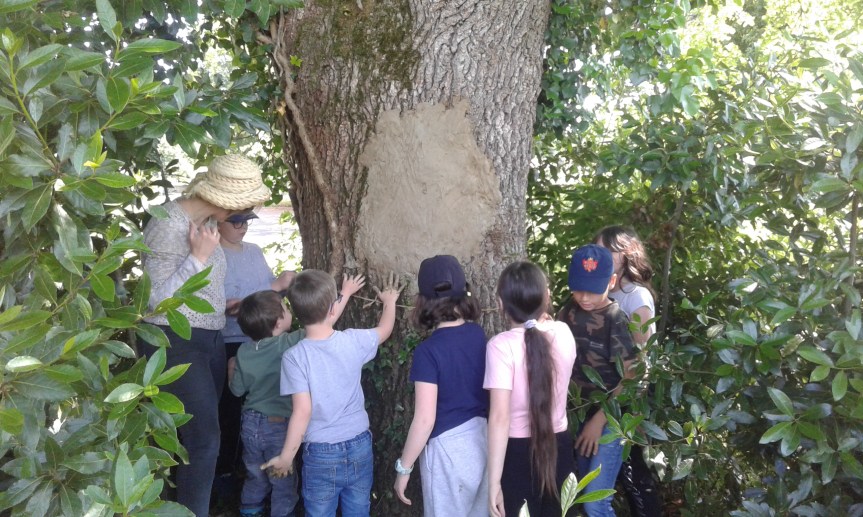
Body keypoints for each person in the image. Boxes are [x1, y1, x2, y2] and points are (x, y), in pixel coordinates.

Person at [140, 154, 271, 517]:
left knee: (196, 438)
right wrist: (197, 257)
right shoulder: (168, 223)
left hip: (210, 339)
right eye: (246, 209)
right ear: (229, 201)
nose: (247, 215)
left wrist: (221, 305)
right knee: (204, 442)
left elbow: (200, 288)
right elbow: (153, 301)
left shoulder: (209, 221)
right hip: (174, 341)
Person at [261, 270, 402, 517]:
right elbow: (384, 329)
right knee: (358, 510)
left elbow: (302, 412)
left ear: (294, 310)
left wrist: (286, 457)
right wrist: (389, 302)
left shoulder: (294, 358)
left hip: (321, 453)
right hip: (359, 444)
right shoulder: (353, 341)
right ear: (331, 308)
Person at [229, 275, 364, 517]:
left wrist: (232, 368)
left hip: (250, 425)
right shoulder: (291, 343)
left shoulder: (243, 351)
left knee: (255, 476)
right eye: (285, 307)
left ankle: (249, 512)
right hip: (278, 426)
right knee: (282, 481)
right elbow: (326, 320)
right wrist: (345, 293)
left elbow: (237, 390)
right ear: (279, 322)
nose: (289, 310)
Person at [393, 255, 489, 517]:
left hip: (448, 450)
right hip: (483, 439)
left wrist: (404, 468)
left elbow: (424, 420)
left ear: (422, 301)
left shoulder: (428, 351)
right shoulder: (478, 334)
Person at [485, 261, 577, 517]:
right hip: (560, 446)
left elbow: (500, 418)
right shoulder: (564, 333)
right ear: (546, 297)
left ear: (501, 304)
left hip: (516, 455)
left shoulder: (500, 346)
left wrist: (493, 483)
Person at [215, 210, 296, 493]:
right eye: (235, 221)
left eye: (247, 221)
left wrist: (280, 289)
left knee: (272, 398)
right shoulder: (212, 254)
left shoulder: (255, 251)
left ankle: (258, 466)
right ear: (216, 220)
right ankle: (227, 472)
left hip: (265, 339)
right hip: (231, 340)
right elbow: (211, 300)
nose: (243, 227)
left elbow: (267, 302)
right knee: (230, 409)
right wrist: (273, 287)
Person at [557, 244, 638, 517]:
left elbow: (631, 376)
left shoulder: (616, 319)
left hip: (610, 420)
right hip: (577, 414)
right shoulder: (568, 311)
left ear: (612, 281)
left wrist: (598, 421)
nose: (584, 297)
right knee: (579, 495)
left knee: (595, 501)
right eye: (578, 288)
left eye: (592, 290)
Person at [595, 226, 662, 517]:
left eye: (608, 250)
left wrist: (620, 403)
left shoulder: (635, 297)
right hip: (607, 397)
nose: (601, 255)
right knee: (622, 474)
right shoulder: (606, 290)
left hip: (625, 403)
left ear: (627, 254)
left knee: (634, 476)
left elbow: (640, 359)